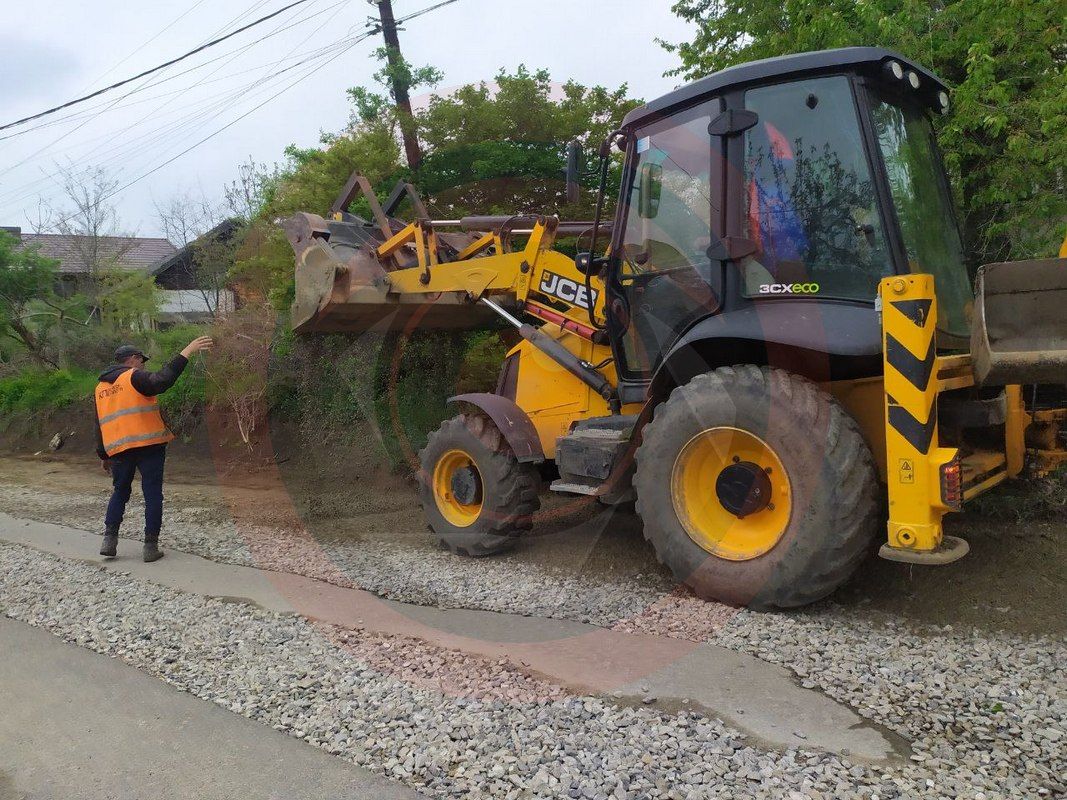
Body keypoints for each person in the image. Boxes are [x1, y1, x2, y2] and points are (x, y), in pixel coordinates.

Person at [95, 336, 213, 561]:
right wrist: (187, 350)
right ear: (134, 359)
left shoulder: (100, 387)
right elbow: (162, 381)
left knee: (120, 492)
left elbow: (98, 423)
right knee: (152, 495)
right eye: (142, 361)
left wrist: (103, 454)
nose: (143, 366)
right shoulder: (134, 376)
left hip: (119, 450)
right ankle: (150, 547)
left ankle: (109, 540)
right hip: (148, 446)